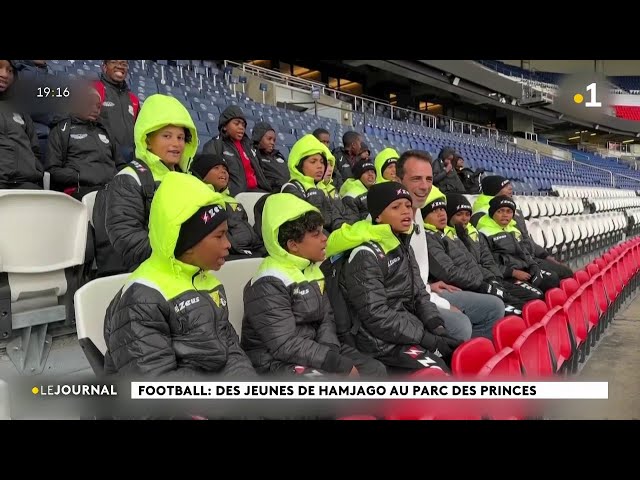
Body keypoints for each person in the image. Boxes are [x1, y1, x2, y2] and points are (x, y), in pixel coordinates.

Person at [103, 171, 256, 378]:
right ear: (188, 243)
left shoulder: (207, 281)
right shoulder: (142, 298)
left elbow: (231, 350)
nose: (228, 244)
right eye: (219, 236)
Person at [241, 193, 386, 377]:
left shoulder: (313, 270)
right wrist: (332, 362)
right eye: (316, 234)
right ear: (293, 245)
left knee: (375, 371)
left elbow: (327, 319)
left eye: (322, 230)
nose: (325, 238)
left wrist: (330, 354)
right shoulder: (267, 282)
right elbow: (284, 344)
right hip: (275, 362)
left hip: (313, 350)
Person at [326, 182, 461, 372]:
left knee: (457, 354)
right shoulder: (365, 255)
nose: (406, 212)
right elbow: (377, 315)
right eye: (396, 207)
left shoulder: (401, 243)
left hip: (406, 329)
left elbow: (420, 294)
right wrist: (425, 338)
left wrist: (436, 326)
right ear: (378, 216)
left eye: (407, 205)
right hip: (378, 342)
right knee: (438, 371)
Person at [395, 150, 504, 340]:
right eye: (416, 179)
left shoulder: (418, 213)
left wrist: (428, 284)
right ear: (398, 181)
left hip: (426, 291)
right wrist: (440, 302)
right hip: (409, 303)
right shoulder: (389, 220)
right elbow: (397, 287)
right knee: (461, 325)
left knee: (494, 307)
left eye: (429, 179)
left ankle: (472, 360)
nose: (424, 186)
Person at [93, 93, 197, 276]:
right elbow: (126, 237)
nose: (176, 144)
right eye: (167, 136)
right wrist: (178, 252)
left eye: (181, 137)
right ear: (147, 140)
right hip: (147, 273)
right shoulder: (128, 179)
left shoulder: (188, 179)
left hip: (185, 267)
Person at [446, 193, 543, 311]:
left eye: (467, 214)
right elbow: (466, 266)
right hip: (476, 284)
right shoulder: (449, 237)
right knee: (521, 308)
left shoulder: (474, 233)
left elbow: (488, 260)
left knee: (535, 296)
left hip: (492, 278)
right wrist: (498, 277)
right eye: (459, 214)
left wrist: (495, 279)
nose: (464, 218)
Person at [472, 175, 573, 279]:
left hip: (528, 259)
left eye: (509, 185)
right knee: (554, 278)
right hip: (513, 264)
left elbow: (525, 239)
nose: (510, 188)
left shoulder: (514, 211)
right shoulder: (482, 215)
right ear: (494, 190)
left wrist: (545, 256)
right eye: (505, 186)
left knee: (565, 272)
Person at [46, 83, 126, 200]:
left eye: (98, 106)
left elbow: (120, 164)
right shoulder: (62, 129)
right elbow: (52, 170)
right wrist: (81, 176)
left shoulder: (105, 130)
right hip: (80, 190)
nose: (95, 109)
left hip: (110, 188)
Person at [477, 196, 560, 293]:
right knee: (536, 294)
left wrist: (533, 266)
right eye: (500, 211)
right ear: (492, 213)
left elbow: (525, 253)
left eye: (509, 211)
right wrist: (513, 273)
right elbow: (489, 262)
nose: (505, 215)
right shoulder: (483, 233)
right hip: (506, 275)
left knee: (552, 278)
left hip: (523, 269)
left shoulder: (514, 230)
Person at [190, 153, 265, 259]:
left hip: (250, 249)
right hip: (229, 253)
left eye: (225, 168)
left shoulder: (232, 200)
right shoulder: (201, 199)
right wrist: (239, 251)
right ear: (202, 174)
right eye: (216, 168)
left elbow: (244, 224)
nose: (223, 171)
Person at [281, 134, 345, 233]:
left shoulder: (321, 187)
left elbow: (336, 218)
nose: (320, 166)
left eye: (322, 162)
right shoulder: (290, 188)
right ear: (299, 165)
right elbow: (305, 227)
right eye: (313, 161)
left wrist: (345, 233)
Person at [201, 105, 270, 195]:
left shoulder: (250, 147)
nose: (241, 127)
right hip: (234, 195)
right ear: (225, 126)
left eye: (243, 125)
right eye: (236, 123)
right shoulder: (215, 145)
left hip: (257, 192)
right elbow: (209, 176)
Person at [0, 59, 44, 189]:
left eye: (10, 71)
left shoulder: (19, 110)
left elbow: (34, 149)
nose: (5, 75)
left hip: (26, 184)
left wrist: (35, 168)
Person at [94, 60, 140, 161]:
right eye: (114, 62)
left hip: (129, 159)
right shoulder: (94, 90)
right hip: (102, 158)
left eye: (124, 64)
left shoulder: (134, 99)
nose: (120, 66)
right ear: (104, 67)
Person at [252, 121, 288, 191]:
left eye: (274, 140)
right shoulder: (254, 155)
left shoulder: (278, 155)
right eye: (269, 139)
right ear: (258, 138)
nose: (272, 143)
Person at [339, 158, 376, 223]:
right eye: (366, 172)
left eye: (372, 172)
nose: (370, 174)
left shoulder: (377, 190)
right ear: (359, 176)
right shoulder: (351, 196)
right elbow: (352, 223)